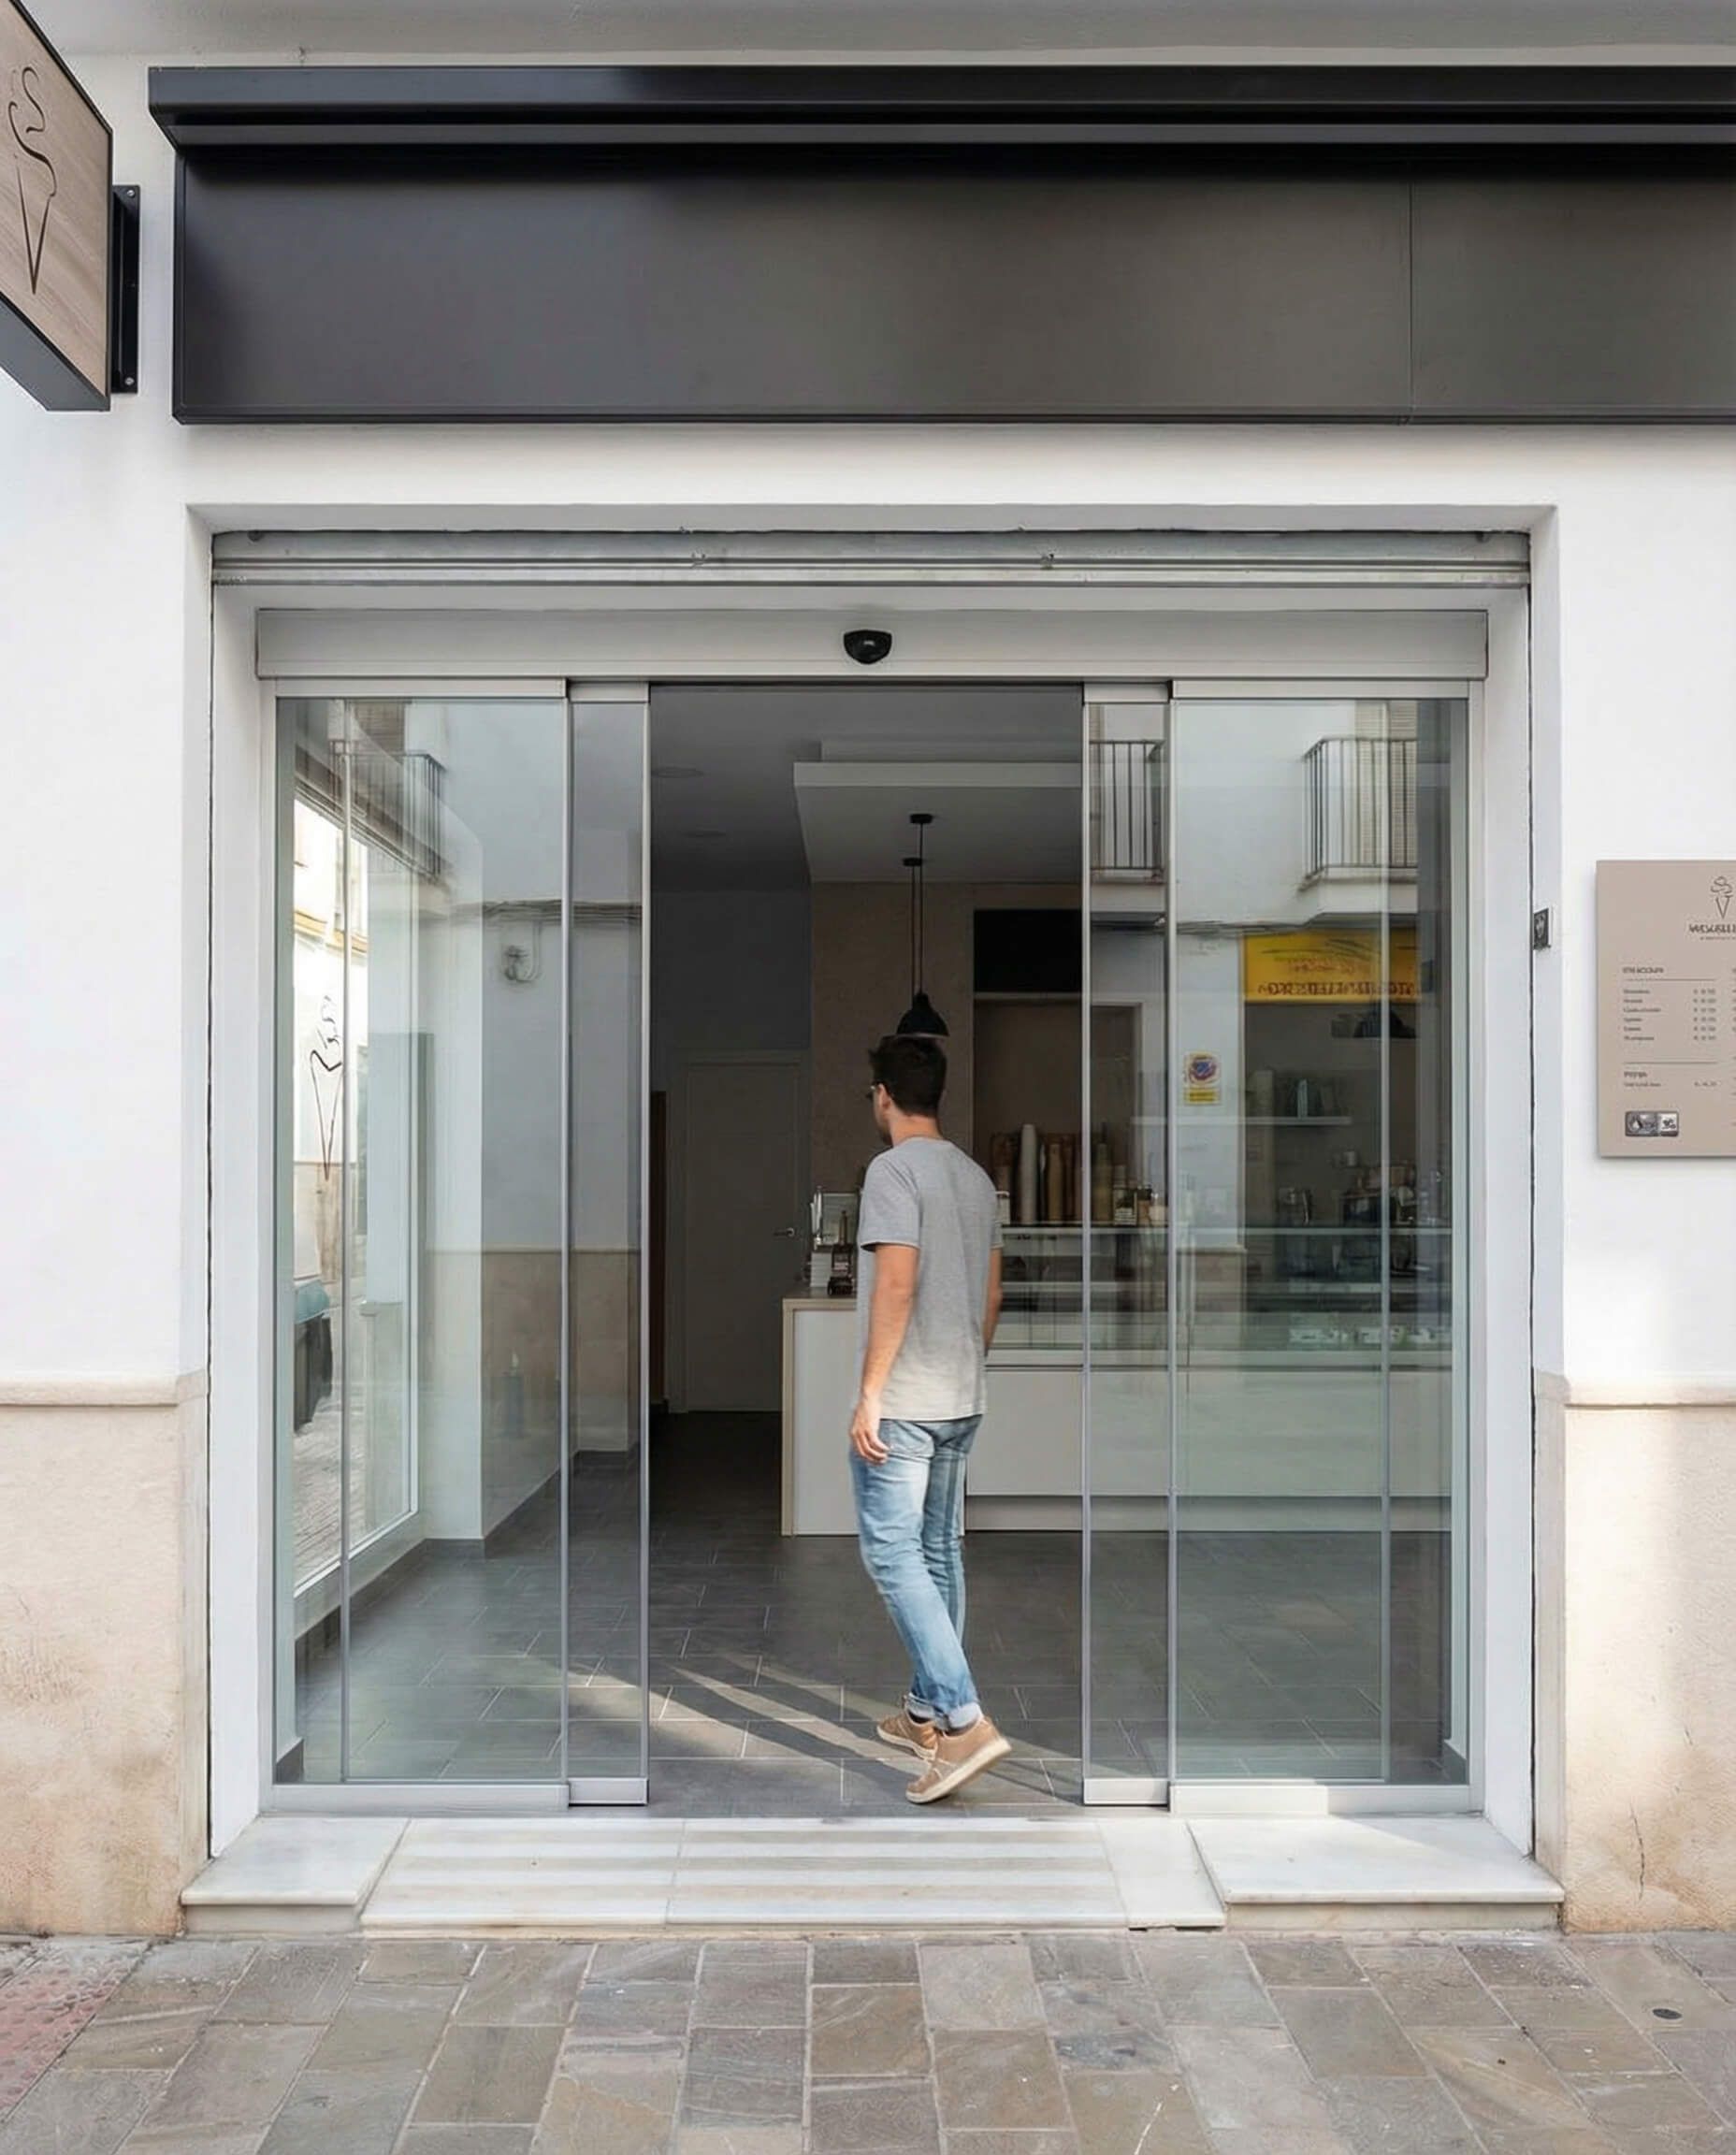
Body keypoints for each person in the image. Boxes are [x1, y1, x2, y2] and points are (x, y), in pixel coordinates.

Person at [849, 1033, 1009, 1803]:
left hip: (908, 1401)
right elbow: (991, 1300)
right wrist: (964, 1363)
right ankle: (921, 1712)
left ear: (882, 1094)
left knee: (892, 1554)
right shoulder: (975, 1178)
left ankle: (964, 1720)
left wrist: (872, 1391)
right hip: (961, 1395)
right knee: (940, 1549)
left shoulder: (891, 1170)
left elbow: (896, 1286)